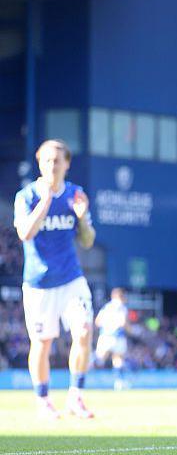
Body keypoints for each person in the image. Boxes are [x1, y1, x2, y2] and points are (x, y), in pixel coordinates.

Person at [14, 139, 97, 419]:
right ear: (39, 162)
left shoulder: (76, 195)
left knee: (84, 330)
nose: (52, 165)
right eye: (47, 160)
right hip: (38, 283)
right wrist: (46, 201)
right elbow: (25, 233)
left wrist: (83, 219)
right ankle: (43, 400)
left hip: (71, 279)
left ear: (67, 163)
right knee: (42, 343)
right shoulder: (26, 196)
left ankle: (76, 396)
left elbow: (87, 241)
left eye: (57, 160)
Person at [94, 287, 129, 390]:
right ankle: (119, 382)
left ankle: (85, 377)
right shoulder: (122, 307)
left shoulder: (106, 307)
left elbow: (97, 322)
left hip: (105, 336)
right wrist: (132, 330)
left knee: (99, 359)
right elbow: (123, 323)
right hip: (117, 337)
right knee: (118, 359)